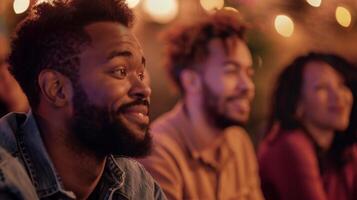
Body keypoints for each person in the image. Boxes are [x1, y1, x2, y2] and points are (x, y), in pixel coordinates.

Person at [0, 0, 167, 199]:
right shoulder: (7, 180)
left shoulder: (137, 183)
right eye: (120, 71)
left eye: (140, 74)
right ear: (57, 89)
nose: (144, 89)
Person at [138, 10, 264, 200]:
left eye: (248, 73)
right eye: (231, 71)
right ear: (191, 81)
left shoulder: (239, 142)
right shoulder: (160, 152)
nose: (248, 86)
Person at [258, 52, 357, 200]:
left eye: (341, 85)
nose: (338, 96)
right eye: (321, 88)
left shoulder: (344, 151)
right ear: (298, 103)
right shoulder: (290, 144)